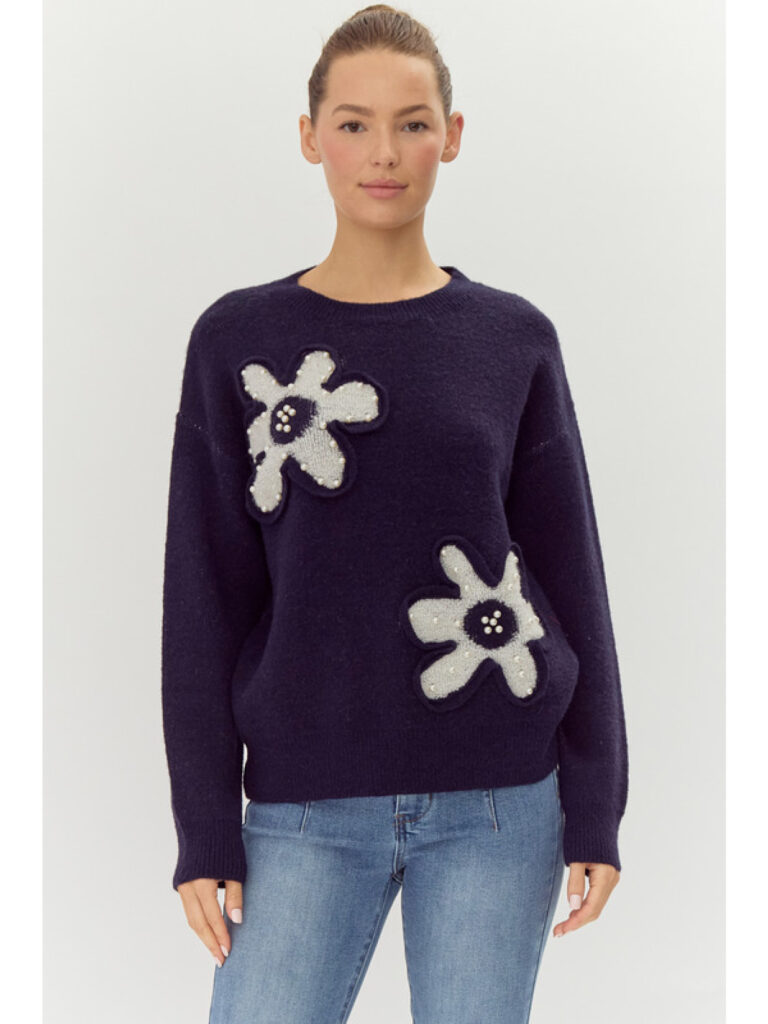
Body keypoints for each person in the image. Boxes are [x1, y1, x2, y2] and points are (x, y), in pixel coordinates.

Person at [160, 5, 629, 1022]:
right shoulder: (238, 342)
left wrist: (597, 801)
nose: (384, 152)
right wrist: (204, 825)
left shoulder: (513, 340)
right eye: (354, 123)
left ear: (451, 137)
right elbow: (202, 597)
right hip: (303, 808)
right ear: (309, 136)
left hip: (500, 799)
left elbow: (570, 577)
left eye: (412, 124)